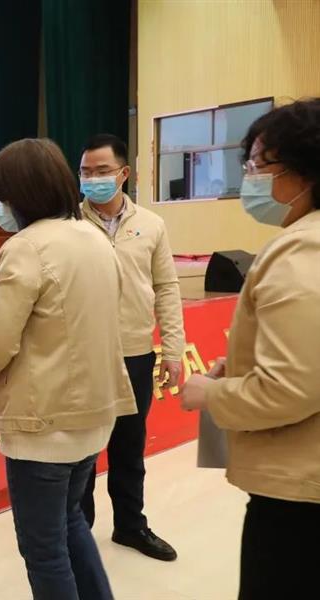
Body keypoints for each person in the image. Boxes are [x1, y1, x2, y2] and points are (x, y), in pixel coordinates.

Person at [0, 138, 135, 600]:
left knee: (44, 550)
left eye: (0, 196)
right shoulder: (94, 238)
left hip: (43, 424)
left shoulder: (26, 247)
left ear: (20, 195)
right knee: (70, 522)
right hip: (93, 415)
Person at [180, 98, 320, 600]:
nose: (250, 178)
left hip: (299, 493)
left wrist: (211, 394)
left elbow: (291, 387)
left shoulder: (302, 249)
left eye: (260, 164)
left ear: (304, 171)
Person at [78, 134, 184, 562]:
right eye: (86, 172)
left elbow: (166, 287)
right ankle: (78, 530)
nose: (93, 179)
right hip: (81, 354)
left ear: (123, 173)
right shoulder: (68, 222)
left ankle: (130, 526)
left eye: (102, 171)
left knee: (129, 445)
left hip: (136, 352)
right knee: (82, 449)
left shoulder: (151, 224)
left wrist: (173, 348)